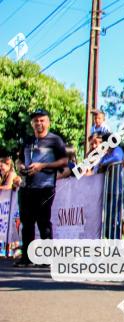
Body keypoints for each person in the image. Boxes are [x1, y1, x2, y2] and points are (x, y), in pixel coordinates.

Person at [14, 109, 67, 267]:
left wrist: (43, 165)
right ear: (32, 124)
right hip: (26, 187)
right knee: (27, 223)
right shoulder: (28, 140)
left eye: (42, 120)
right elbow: (19, 160)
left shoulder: (55, 140)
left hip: (45, 187)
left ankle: (46, 259)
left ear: (48, 122)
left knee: (43, 222)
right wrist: (21, 167)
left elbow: (64, 161)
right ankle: (27, 258)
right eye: (36, 121)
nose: (39, 123)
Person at [97, 132, 124, 239]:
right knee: (108, 219)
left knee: (114, 219)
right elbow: (99, 165)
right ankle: (111, 243)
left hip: (118, 192)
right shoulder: (106, 154)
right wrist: (102, 164)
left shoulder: (117, 150)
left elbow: (117, 158)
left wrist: (104, 164)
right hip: (108, 191)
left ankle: (116, 244)